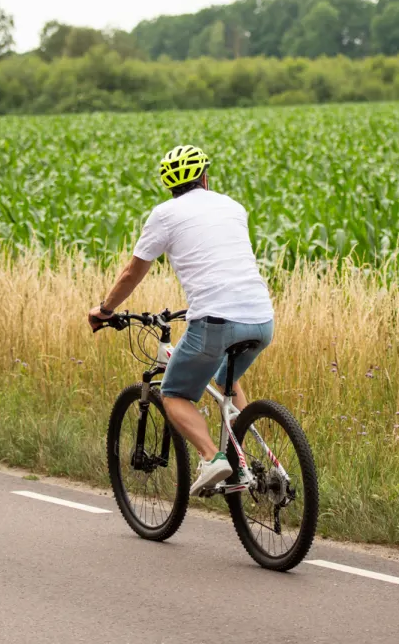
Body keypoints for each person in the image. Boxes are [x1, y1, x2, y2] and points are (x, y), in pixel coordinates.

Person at [89, 144, 275, 495]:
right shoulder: (233, 207)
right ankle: (249, 460)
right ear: (205, 176)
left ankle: (212, 457)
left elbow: (132, 273)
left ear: (169, 185)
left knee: (173, 392)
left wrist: (106, 310)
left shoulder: (164, 215)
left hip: (215, 322)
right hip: (261, 318)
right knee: (227, 381)